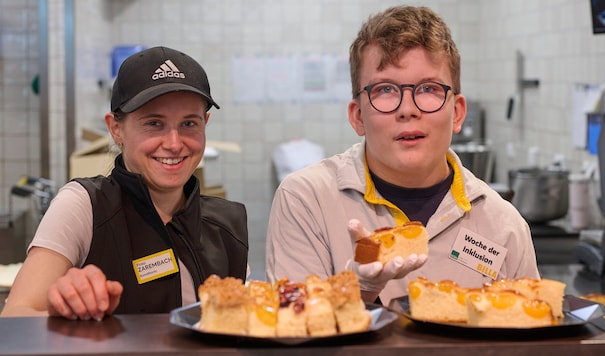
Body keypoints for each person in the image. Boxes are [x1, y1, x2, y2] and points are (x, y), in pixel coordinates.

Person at [265, 5, 540, 305]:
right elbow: (294, 338)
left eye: (428, 88)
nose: (408, 109)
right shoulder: (307, 201)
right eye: (385, 90)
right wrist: (360, 291)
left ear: (458, 113)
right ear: (357, 116)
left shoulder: (504, 226)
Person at [1, 46, 248, 320]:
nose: (174, 144)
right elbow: (16, 317)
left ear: (206, 123)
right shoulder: (84, 205)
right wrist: (64, 309)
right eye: (154, 123)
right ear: (115, 128)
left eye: (189, 124)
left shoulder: (227, 225)